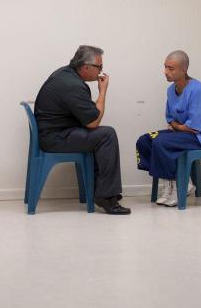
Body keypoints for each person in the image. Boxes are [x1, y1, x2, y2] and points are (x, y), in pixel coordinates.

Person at [34, 45, 130, 215]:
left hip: (54, 133)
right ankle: (107, 197)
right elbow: (93, 122)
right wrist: (102, 91)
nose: (101, 70)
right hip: (56, 138)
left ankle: (101, 191)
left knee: (101, 136)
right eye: (99, 66)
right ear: (86, 67)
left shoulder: (65, 74)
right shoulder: (73, 85)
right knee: (106, 135)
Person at [135, 50, 201, 207]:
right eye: (165, 67)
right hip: (182, 133)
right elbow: (170, 119)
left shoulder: (197, 90)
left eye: (171, 68)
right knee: (145, 140)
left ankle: (182, 184)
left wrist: (176, 126)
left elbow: (195, 127)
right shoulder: (170, 90)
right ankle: (169, 183)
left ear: (184, 70)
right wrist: (177, 126)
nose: (166, 72)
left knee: (161, 142)